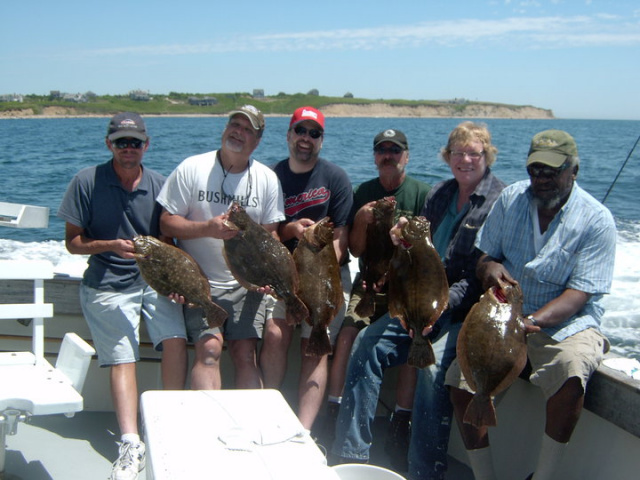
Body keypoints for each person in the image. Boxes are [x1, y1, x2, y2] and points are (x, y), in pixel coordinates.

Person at [331, 122, 506, 480]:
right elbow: (416, 250)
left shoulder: (500, 201)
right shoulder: (440, 194)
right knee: (366, 344)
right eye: (458, 153)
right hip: (418, 301)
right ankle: (351, 455)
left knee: (430, 370)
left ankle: (424, 472)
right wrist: (401, 239)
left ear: (487, 156)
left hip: (460, 311)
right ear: (448, 158)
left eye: (474, 153)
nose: (466, 160)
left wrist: (437, 307)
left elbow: (478, 275)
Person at [445, 129, 616, 480]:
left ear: (574, 170)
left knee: (570, 372)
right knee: (459, 383)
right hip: (505, 316)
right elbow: (483, 259)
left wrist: (528, 322)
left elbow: (579, 295)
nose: (542, 179)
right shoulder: (510, 200)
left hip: (565, 323)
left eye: (552, 171)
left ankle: (543, 476)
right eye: (535, 170)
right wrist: (489, 268)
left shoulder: (597, 221)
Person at [58, 112, 187, 480]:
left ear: (146, 145)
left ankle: (167, 422)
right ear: (108, 144)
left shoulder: (161, 185)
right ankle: (131, 442)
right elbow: (72, 242)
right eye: (121, 142)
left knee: (176, 340)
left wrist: (176, 278)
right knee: (122, 356)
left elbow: (168, 242)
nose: (128, 149)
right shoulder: (86, 182)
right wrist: (109, 246)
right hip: (106, 283)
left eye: (135, 142)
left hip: (153, 281)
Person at [157, 105, 284, 390]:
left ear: (258, 140)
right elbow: (166, 223)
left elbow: (270, 235)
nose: (238, 132)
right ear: (225, 129)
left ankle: (251, 428)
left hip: (246, 285)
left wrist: (266, 277)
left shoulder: (267, 179)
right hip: (200, 282)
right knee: (210, 350)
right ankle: (207, 425)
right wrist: (207, 229)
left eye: (247, 129)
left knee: (244, 353)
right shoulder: (192, 168)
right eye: (234, 124)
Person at [325, 129, 430, 463]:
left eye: (395, 150)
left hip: (407, 287)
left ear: (407, 156)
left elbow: (430, 253)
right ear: (374, 156)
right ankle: (333, 411)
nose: (388, 155)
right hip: (368, 283)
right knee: (347, 336)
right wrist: (359, 219)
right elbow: (354, 248)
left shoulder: (423, 194)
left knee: (416, 340)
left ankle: (401, 421)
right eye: (382, 150)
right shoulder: (362, 193)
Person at [258, 106, 353, 431]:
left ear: (321, 141)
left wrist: (322, 263)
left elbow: (340, 236)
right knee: (273, 333)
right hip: (285, 277)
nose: (306, 139)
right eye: (300, 131)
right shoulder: (272, 177)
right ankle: (268, 414)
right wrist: (292, 231)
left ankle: (304, 430)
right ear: (289, 135)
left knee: (315, 347)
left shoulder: (336, 178)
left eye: (314, 134)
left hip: (327, 278)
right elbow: (269, 233)